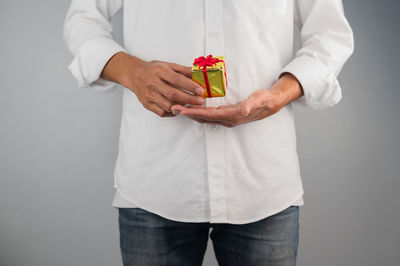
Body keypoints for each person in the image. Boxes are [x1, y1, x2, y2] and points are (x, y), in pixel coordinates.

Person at [63, 1, 354, 265]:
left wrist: (281, 93)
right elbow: (82, 19)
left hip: (262, 181)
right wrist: (130, 70)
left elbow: (330, 35)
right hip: (156, 182)